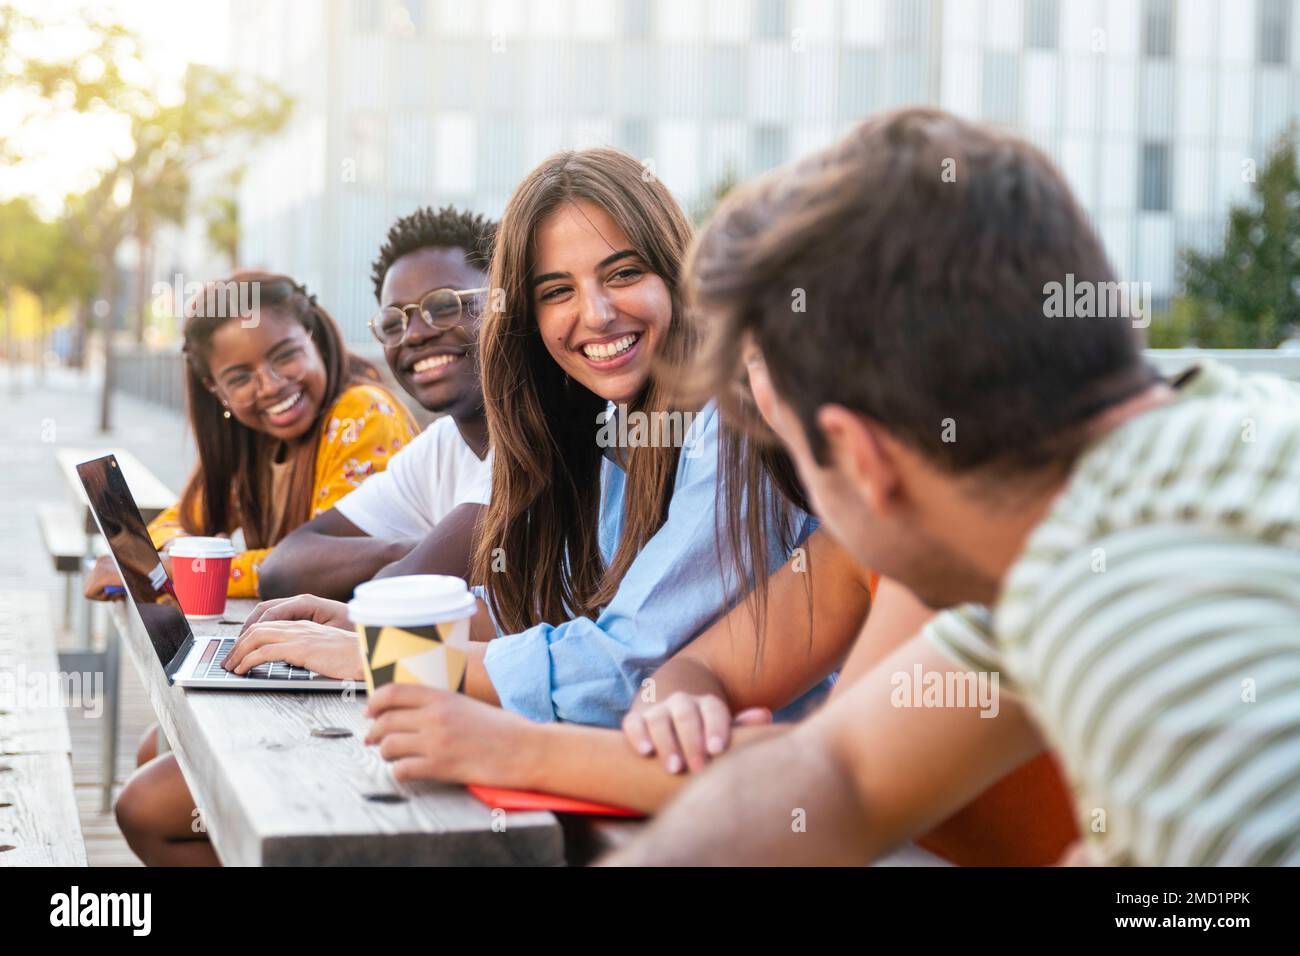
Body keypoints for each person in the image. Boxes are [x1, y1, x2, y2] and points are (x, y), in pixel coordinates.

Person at [604, 107, 1300, 866]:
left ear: (860, 457)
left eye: (790, 450)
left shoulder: (1136, 624)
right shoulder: (1146, 479)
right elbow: (841, 774)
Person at [225, 147, 825, 728]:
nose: (595, 314)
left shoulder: (736, 422)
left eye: (623, 273)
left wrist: (380, 656)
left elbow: (626, 665)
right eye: (557, 291)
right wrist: (365, 631)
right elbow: (555, 608)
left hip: (757, 789)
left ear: (675, 273)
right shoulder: (614, 424)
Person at [106, 273, 417, 866]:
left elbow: (311, 567)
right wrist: (161, 557)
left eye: (285, 356)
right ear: (215, 389)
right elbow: (177, 523)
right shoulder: (244, 438)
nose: (271, 386)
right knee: (156, 747)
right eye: (241, 377)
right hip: (310, 662)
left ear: (316, 338)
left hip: (362, 678)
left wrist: (193, 566)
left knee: (143, 804)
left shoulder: (361, 413)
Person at [257, 207, 496, 600]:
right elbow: (283, 570)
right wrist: (418, 548)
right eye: (393, 322)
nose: (415, 335)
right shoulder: (439, 449)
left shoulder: (542, 436)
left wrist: (415, 563)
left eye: (445, 306)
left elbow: (396, 598)